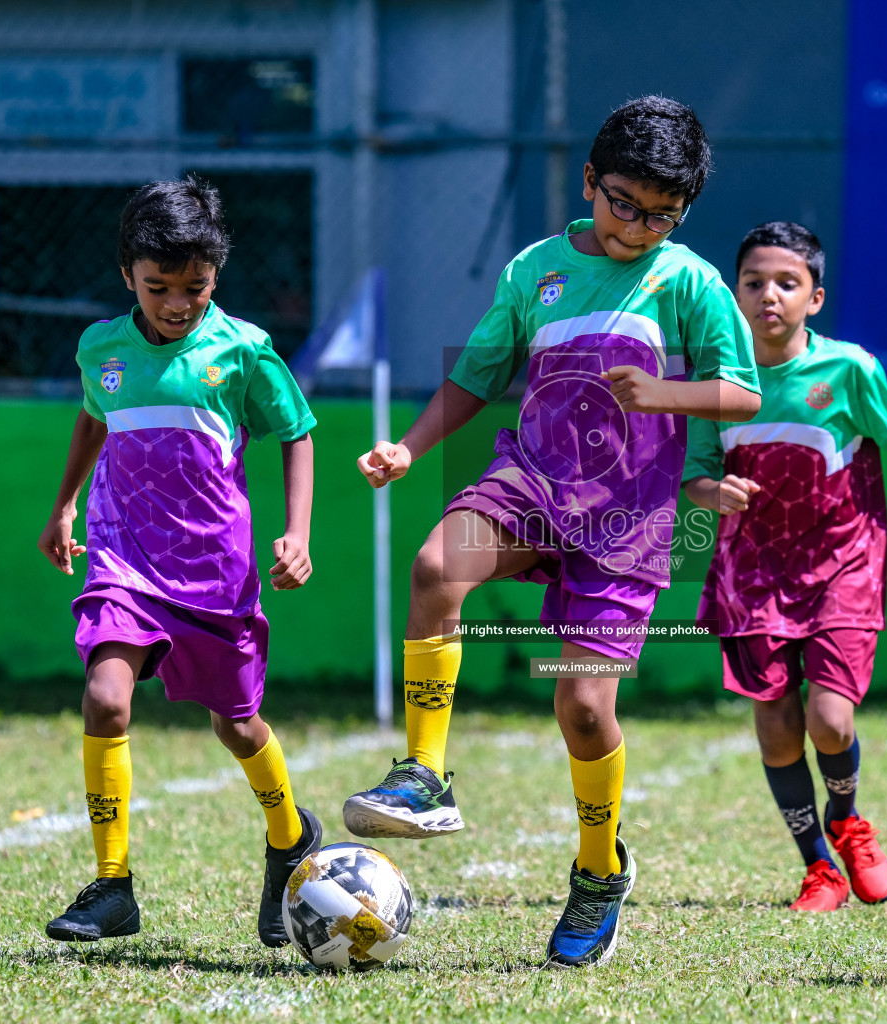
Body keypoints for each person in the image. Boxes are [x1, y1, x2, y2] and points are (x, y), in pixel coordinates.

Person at [342, 96, 761, 967]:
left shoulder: (687, 281)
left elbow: (740, 391)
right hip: (530, 483)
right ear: (588, 182)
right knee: (436, 566)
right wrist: (411, 449)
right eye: (623, 204)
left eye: (662, 215)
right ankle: (423, 775)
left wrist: (670, 403)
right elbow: (480, 373)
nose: (639, 227)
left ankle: (601, 870)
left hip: (626, 518)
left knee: (581, 708)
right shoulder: (536, 269)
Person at [35, 176, 322, 946]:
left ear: (214, 279)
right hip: (123, 558)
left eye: (193, 288)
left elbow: (296, 431)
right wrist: (64, 505)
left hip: (213, 573)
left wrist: (297, 532)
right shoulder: (101, 347)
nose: (175, 303)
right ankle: (113, 881)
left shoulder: (243, 351)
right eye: (158, 286)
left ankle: (290, 838)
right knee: (106, 696)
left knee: (237, 726)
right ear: (127, 273)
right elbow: (94, 419)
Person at [684, 221, 887, 913]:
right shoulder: (712, 383)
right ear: (734, 295)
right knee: (776, 724)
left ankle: (848, 819)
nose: (769, 296)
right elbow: (694, 473)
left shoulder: (849, 370)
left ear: (815, 298)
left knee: (831, 722)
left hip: (843, 566)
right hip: (750, 576)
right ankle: (819, 865)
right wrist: (711, 491)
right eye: (754, 283)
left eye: (787, 283)